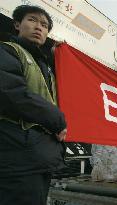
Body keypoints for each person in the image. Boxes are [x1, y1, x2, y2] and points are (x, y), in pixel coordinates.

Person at [0, 5, 67, 205]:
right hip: (17, 157)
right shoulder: (7, 51)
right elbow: (11, 92)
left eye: (44, 25)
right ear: (17, 25)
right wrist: (58, 119)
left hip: (38, 158)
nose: (39, 27)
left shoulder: (45, 65)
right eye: (32, 20)